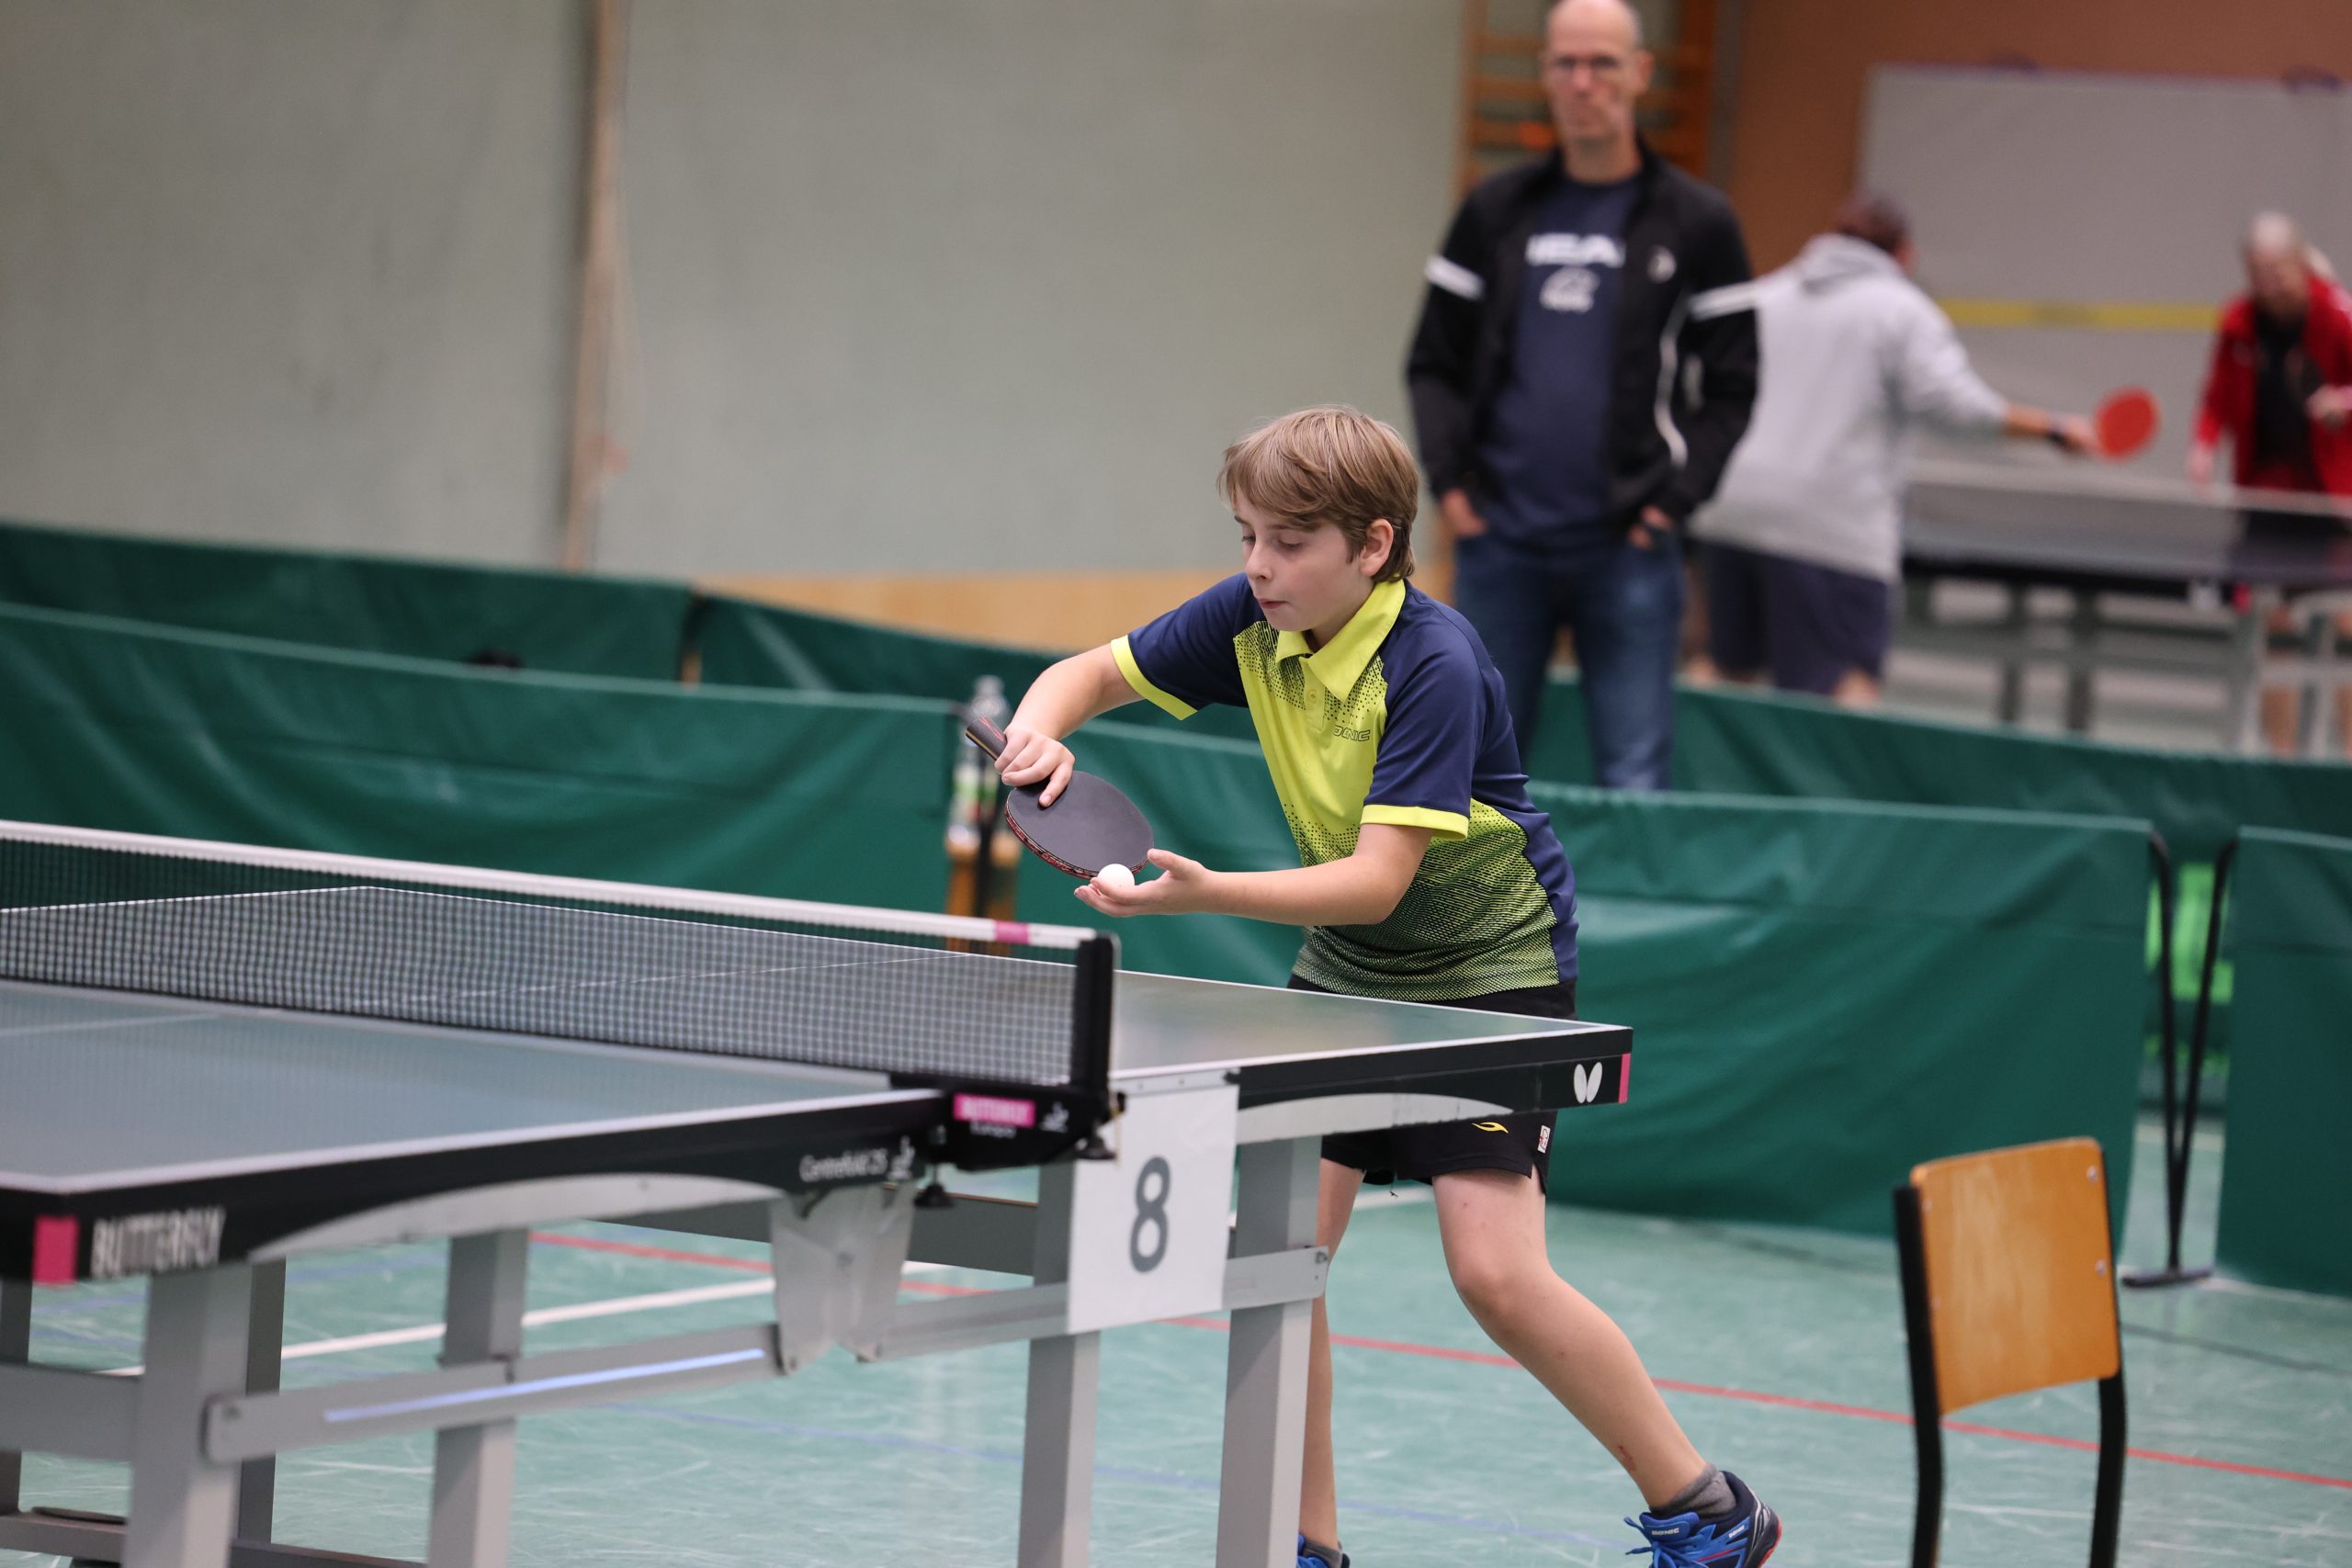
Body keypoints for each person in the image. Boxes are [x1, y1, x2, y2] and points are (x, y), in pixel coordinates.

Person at [986, 407, 1781, 1568]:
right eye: (1247, 536)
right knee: (1276, 1261)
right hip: (1352, 974)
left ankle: (1709, 1511)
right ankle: (1304, 1544)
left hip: (1489, 972)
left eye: (1288, 542)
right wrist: (1037, 735)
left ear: (1372, 545)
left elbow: (1373, 882)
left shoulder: (1432, 662)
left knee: (1496, 1274)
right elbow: (1084, 675)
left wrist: (1198, 895)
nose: (1259, 565)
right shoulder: (1250, 615)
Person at [1405, 0, 1758, 789]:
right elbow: (1432, 363)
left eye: (1602, 63)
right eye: (1566, 63)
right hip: (1501, 545)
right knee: (1474, 773)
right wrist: (1452, 486)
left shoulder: (1699, 222)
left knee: (1634, 776)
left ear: (1640, 74)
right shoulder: (1494, 211)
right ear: (1544, 75)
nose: (1583, 82)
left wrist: (1672, 504)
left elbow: (1734, 386)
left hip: (1630, 551)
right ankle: (1480, 885)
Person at [1689, 193, 2097, 705]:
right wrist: (2054, 429)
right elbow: (1955, 407)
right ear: (1906, 255)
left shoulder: (1761, 297)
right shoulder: (1902, 312)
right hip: (1830, 531)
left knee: (1725, 668)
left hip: (1729, 511)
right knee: (1845, 685)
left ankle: (1681, 756)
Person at [2186, 212, 2352, 755]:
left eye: (2278, 269)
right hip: (2268, 495)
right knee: (2276, 630)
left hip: (2333, 498)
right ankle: (2281, 758)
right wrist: (2203, 447)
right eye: (2257, 271)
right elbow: (2215, 398)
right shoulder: (2238, 322)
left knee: (2349, 629)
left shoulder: (2337, 314)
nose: (2269, 282)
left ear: (2301, 263)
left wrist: (2344, 402)